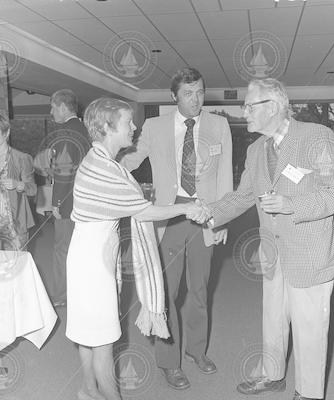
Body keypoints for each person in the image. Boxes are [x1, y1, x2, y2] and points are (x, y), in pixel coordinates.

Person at [205, 78, 334, 400]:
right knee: (272, 318)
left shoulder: (317, 139)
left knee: (309, 329)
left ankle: (309, 393)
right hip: (272, 252)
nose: (243, 111)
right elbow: (243, 195)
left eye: (249, 105)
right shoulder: (256, 149)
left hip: (309, 254)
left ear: (272, 106)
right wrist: (208, 212)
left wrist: (292, 205)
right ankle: (273, 376)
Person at [66, 97, 208, 400]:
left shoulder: (101, 161)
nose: (135, 126)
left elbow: (130, 205)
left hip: (88, 254)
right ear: (107, 127)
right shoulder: (104, 167)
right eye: (128, 122)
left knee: (88, 332)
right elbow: (144, 212)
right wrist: (187, 209)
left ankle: (87, 391)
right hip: (94, 262)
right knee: (103, 340)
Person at [120, 67, 233, 390]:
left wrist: (220, 218)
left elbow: (225, 175)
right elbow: (128, 161)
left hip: (204, 217)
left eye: (199, 92)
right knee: (166, 292)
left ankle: (197, 351)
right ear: (174, 96)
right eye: (187, 93)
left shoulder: (219, 125)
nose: (195, 99)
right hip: (169, 218)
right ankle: (169, 363)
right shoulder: (154, 127)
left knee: (199, 290)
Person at [49, 89, 91, 307]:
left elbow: (64, 171)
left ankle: (60, 296)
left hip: (68, 202)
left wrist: (56, 203)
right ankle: (80, 292)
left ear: (63, 107)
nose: (51, 111)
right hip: (87, 202)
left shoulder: (65, 132)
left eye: (53, 107)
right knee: (81, 250)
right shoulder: (87, 130)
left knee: (61, 250)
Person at [0, 114, 36, 249]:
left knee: (16, 265)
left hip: (15, 223)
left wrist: (17, 184)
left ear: (6, 133)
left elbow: (32, 189)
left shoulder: (21, 158)